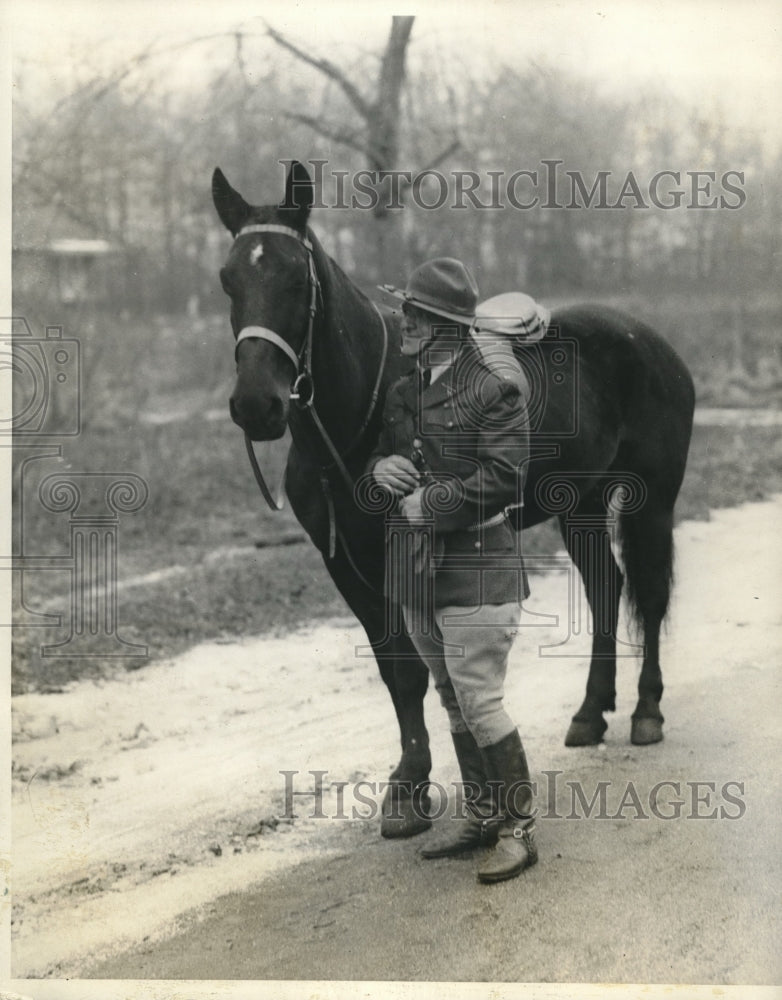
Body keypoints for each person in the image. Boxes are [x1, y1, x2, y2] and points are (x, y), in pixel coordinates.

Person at [369, 257, 537, 885]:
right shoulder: (407, 387)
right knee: (451, 695)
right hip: (418, 572)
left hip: (477, 566)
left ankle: (519, 830)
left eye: (413, 312)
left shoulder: (495, 387)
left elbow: (504, 479)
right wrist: (379, 470)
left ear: (440, 325)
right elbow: (386, 457)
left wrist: (429, 503)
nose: (403, 320)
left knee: (481, 699)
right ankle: (485, 814)